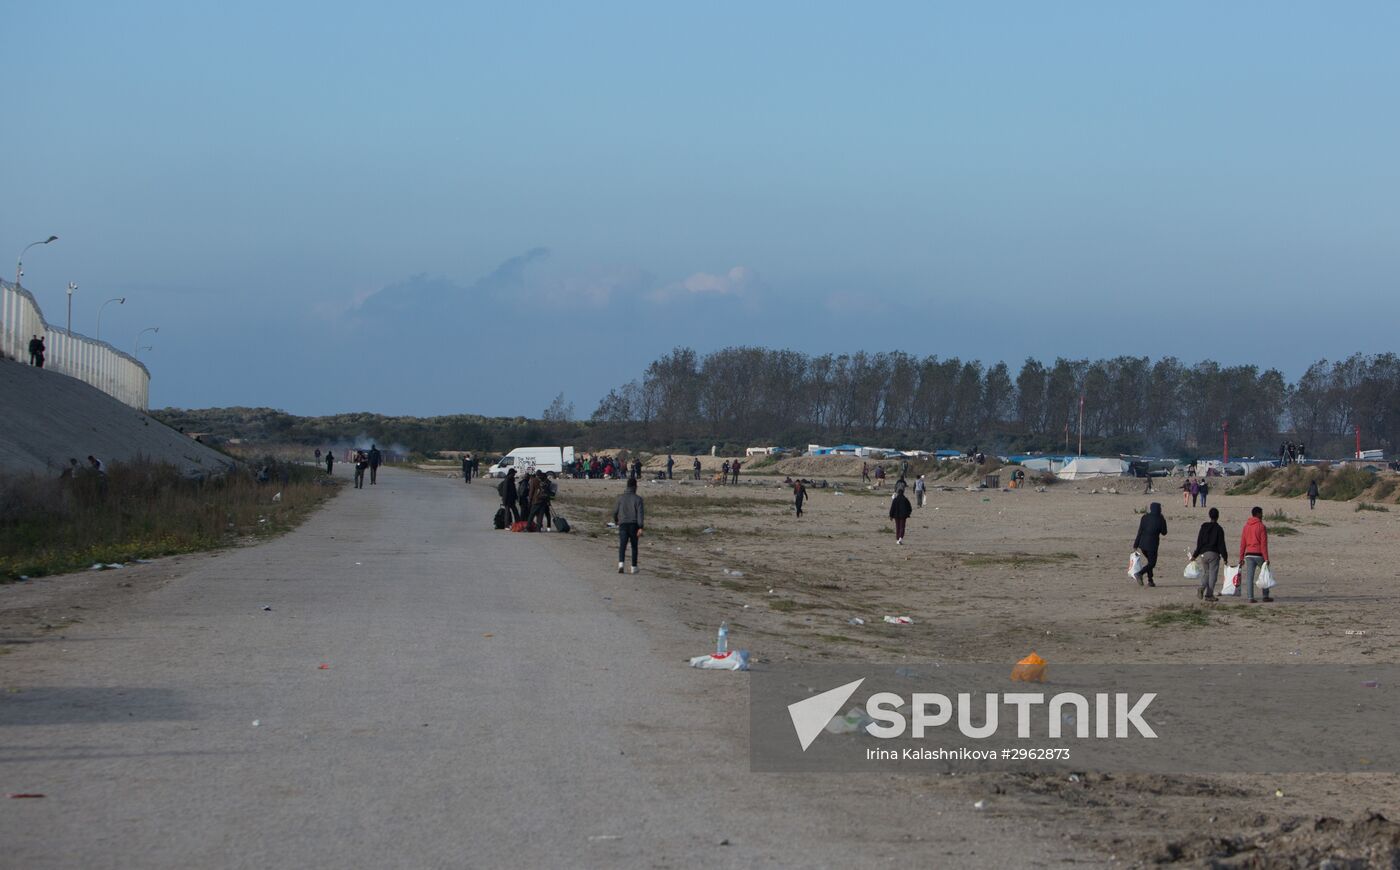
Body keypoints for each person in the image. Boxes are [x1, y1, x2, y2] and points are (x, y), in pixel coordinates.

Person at [1191, 507, 1229, 601]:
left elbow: (1199, 541)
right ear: (1218, 516)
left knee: (1207, 573)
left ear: (1209, 516)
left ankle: (1202, 587)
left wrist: (1195, 555)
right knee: (1213, 575)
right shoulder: (1219, 529)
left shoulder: (1203, 526)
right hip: (1213, 554)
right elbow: (1221, 544)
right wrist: (1225, 557)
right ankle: (1209, 594)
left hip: (1203, 554)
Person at [1239, 506, 1273, 603]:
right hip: (1258, 554)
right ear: (1257, 514)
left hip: (1248, 554)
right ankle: (1265, 595)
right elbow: (1263, 545)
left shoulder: (1246, 527)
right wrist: (1266, 558)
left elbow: (1243, 544)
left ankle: (1250, 597)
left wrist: (1241, 558)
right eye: (1261, 513)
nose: (1262, 515)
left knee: (1250, 577)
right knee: (1265, 573)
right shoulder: (1261, 526)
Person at [613, 477, 644, 574]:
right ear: (635, 486)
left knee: (622, 545)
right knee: (634, 546)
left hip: (623, 524)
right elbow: (640, 515)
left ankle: (621, 564)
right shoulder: (638, 499)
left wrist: (616, 521)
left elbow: (614, 512)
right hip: (634, 525)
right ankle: (633, 567)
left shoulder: (620, 498)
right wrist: (640, 527)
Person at [1131, 502, 1167, 587]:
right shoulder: (1160, 519)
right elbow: (1164, 532)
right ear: (1159, 509)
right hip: (1152, 545)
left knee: (1150, 562)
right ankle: (1139, 574)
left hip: (1142, 544)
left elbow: (1140, 531)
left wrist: (1135, 545)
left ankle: (1150, 581)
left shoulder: (1145, 517)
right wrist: (1163, 521)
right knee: (1152, 563)